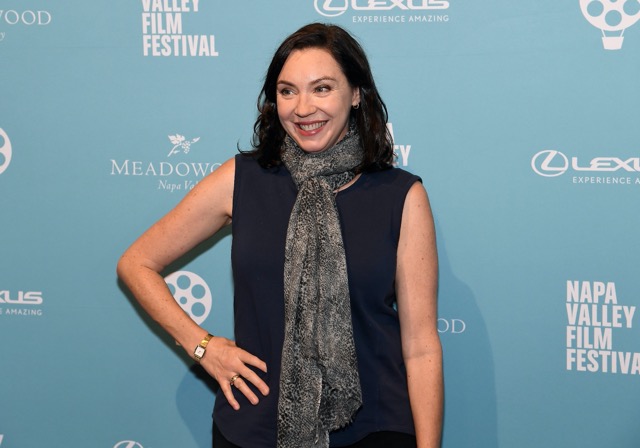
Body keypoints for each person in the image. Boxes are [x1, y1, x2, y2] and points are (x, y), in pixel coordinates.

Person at [117, 23, 442, 448]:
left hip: (374, 427)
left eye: (322, 88)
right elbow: (136, 263)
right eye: (288, 91)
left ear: (356, 93)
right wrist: (203, 347)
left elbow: (420, 346)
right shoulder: (242, 179)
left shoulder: (401, 195)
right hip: (254, 428)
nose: (303, 108)